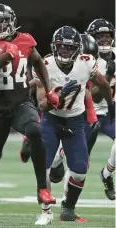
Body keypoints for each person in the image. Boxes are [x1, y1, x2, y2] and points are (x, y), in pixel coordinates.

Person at [0, 4, 59, 221]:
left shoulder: (26, 40)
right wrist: (3, 56)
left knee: (35, 131)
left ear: (12, 21)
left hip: (21, 103)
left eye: (2, 21)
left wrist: (47, 91)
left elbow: (38, 62)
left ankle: (42, 190)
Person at [35, 26, 114, 223]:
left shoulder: (86, 63)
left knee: (79, 170)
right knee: (43, 167)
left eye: (70, 48)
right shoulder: (45, 64)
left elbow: (103, 84)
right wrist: (59, 95)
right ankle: (45, 211)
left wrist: (111, 104)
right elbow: (42, 106)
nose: (65, 52)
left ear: (78, 50)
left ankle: (68, 208)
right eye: (62, 47)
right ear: (54, 47)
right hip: (51, 119)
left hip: (75, 121)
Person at [86, 18, 115, 200]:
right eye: (100, 36)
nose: (104, 40)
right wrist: (109, 74)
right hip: (89, 114)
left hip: (110, 112)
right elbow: (94, 94)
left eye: (107, 36)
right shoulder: (88, 59)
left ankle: (107, 173)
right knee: (80, 163)